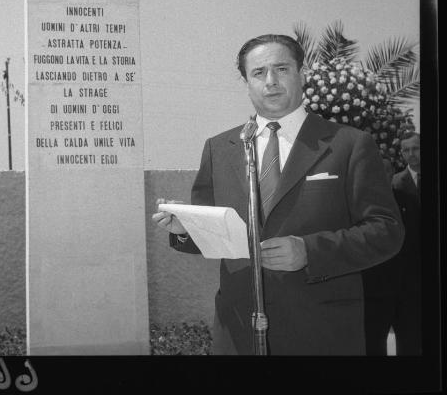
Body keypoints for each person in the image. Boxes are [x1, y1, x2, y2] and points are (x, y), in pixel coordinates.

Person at [152, 34, 404, 355]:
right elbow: (212, 227)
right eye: (258, 73)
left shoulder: (349, 144)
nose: (270, 81)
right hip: (237, 330)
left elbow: (386, 231)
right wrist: (186, 230)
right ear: (247, 83)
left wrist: (310, 252)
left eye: (281, 69)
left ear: (302, 74)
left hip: (321, 330)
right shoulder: (219, 148)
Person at [363, 132, 422, 355]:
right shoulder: (359, 206)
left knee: (411, 346)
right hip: (375, 292)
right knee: (373, 347)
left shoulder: (408, 202)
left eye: (387, 171)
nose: (383, 176)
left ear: (391, 174)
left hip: (408, 290)